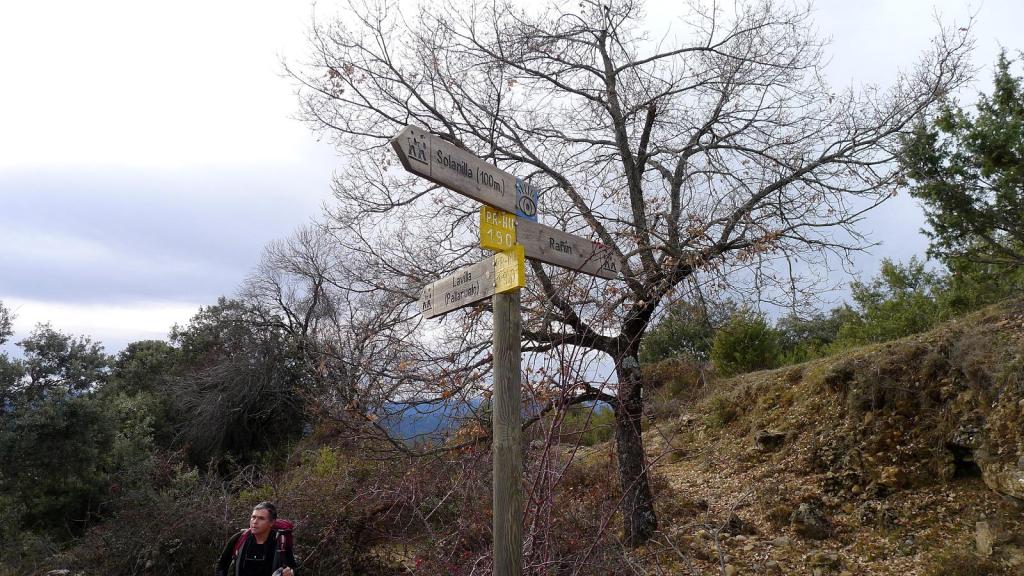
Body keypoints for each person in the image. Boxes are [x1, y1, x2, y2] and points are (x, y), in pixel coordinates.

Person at [215, 502, 297, 576]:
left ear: (272, 522)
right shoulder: (239, 538)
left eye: (261, 518)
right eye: (253, 517)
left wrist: (291, 572)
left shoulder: (280, 542)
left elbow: (293, 568)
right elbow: (222, 564)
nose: (255, 522)